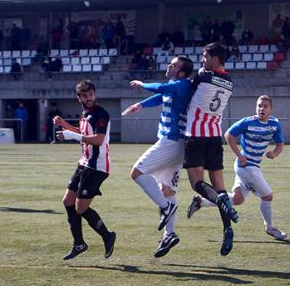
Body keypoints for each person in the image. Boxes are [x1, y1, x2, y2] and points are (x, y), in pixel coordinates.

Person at [122, 56, 193, 258]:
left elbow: (160, 90)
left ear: (181, 72)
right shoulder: (175, 85)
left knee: (137, 173)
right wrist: (141, 105)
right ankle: (169, 235)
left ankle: (165, 207)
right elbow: (162, 96)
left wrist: (142, 84)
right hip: (175, 144)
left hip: (170, 142)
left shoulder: (182, 84)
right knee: (167, 189)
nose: (169, 66)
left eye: (174, 65)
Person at [188, 95, 287, 240]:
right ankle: (270, 228)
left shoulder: (275, 124)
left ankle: (200, 202)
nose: (261, 109)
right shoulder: (248, 122)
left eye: (265, 106)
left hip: (253, 166)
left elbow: (280, 144)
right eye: (259, 106)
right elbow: (228, 135)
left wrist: (274, 153)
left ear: (271, 109)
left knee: (237, 199)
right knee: (268, 196)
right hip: (246, 166)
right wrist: (239, 156)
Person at [183, 42, 238, 256]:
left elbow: (186, 87)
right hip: (214, 136)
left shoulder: (203, 76)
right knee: (220, 186)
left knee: (197, 183)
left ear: (215, 58)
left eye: (205, 56)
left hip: (196, 135)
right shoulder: (229, 81)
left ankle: (221, 201)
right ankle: (227, 229)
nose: (202, 60)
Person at [53, 80, 116, 260]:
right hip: (84, 163)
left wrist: (71, 135)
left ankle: (107, 236)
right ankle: (79, 243)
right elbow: (83, 134)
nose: (88, 98)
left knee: (80, 207)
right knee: (67, 201)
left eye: (91, 95)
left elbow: (98, 139)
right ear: (79, 97)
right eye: (84, 95)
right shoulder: (85, 113)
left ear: (94, 94)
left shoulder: (100, 114)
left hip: (98, 167)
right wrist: (65, 125)